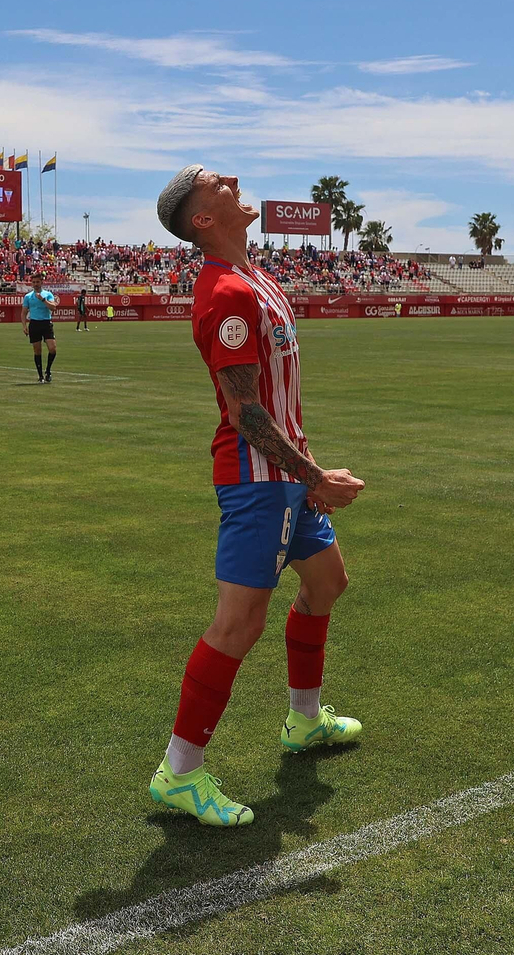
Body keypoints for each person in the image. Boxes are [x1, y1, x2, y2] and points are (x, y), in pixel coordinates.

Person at [147, 164, 366, 827]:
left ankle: (304, 721)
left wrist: (308, 471)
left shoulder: (254, 277)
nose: (234, 180)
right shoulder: (227, 293)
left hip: (287, 475)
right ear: (202, 219)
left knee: (327, 583)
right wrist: (312, 478)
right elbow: (244, 412)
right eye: (217, 183)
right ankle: (179, 772)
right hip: (257, 481)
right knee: (238, 624)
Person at [21, 273, 58, 382]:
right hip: (34, 324)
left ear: (42, 282)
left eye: (37, 282)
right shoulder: (28, 297)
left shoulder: (48, 294)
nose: (36, 284)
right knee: (37, 351)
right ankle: (40, 375)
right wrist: (24, 326)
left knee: (52, 349)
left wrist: (43, 300)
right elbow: (23, 313)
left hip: (46, 323)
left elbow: (53, 307)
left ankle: (48, 371)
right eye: (34, 282)